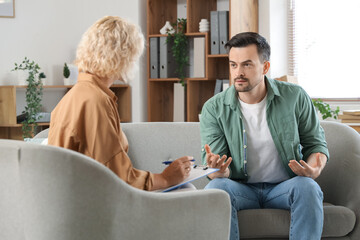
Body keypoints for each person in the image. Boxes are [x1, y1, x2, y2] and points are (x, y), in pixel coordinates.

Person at [200, 32, 328, 240]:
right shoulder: (214, 108)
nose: (238, 72)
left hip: (285, 186)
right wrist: (216, 169)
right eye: (233, 65)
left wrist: (314, 169)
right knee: (216, 187)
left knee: (308, 187)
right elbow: (216, 171)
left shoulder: (295, 97)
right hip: (240, 188)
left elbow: (316, 145)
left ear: (265, 67)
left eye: (247, 65)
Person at [48, 16, 193, 191]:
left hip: (74, 198)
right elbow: (117, 178)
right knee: (188, 189)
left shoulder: (75, 96)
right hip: (94, 204)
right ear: (123, 56)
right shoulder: (95, 101)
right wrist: (166, 178)